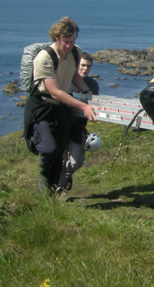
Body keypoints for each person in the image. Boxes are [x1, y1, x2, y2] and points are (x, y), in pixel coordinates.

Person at [24, 17, 96, 195]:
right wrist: (83, 107)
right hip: (43, 107)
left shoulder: (75, 52)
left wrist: (86, 91)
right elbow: (55, 92)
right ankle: (43, 187)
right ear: (56, 38)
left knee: (60, 151)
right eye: (66, 42)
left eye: (73, 42)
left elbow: (74, 76)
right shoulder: (44, 58)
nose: (69, 46)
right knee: (49, 149)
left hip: (60, 108)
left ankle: (53, 191)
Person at [57, 53, 100, 194]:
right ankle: (60, 188)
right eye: (82, 65)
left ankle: (65, 175)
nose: (85, 68)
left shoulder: (93, 84)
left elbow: (95, 104)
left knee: (77, 162)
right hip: (62, 124)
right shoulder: (65, 81)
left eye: (88, 66)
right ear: (77, 66)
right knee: (61, 159)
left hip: (79, 126)